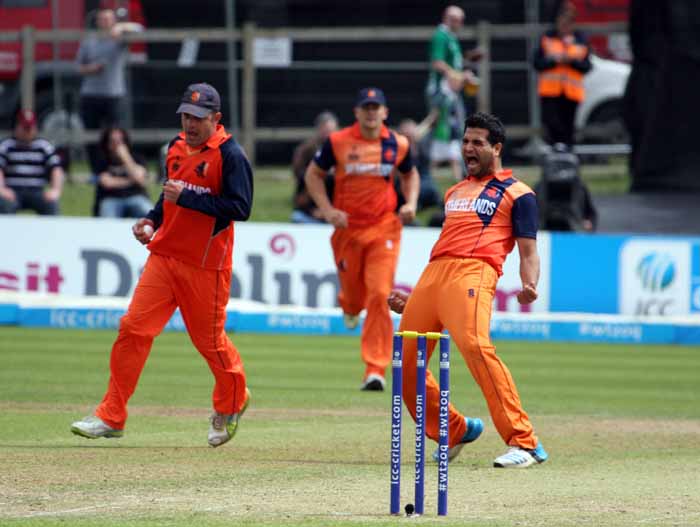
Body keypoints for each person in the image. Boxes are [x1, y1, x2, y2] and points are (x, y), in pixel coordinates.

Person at [71, 82, 254, 448]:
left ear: (216, 119)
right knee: (133, 329)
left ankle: (233, 401)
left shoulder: (231, 155)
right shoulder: (174, 148)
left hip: (205, 267)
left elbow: (240, 208)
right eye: (186, 115)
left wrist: (186, 198)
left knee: (211, 345)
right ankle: (112, 415)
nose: (190, 124)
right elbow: (168, 196)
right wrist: (152, 220)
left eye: (198, 118)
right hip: (164, 257)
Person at [387, 112, 549, 468]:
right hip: (434, 274)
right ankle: (453, 430)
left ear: (496, 147)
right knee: (405, 361)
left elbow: (529, 250)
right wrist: (417, 300)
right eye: (465, 141)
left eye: (477, 143)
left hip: (475, 272)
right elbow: (449, 245)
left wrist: (529, 283)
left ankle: (525, 442)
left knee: (475, 347)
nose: (468, 149)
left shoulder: (519, 194)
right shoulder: (454, 191)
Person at [304, 87, 419, 391]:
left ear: (385, 112)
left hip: (384, 229)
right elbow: (313, 175)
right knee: (355, 301)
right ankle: (349, 305)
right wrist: (328, 210)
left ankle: (375, 368)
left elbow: (410, 175)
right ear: (356, 112)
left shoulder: (398, 143)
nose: (371, 112)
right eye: (366, 107)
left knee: (380, 294)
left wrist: (411, 203)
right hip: (348, 231)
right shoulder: (338, 142)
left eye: (376, 107)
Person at [75, 7, 143, 174]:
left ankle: (120, 169)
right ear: (97, 21)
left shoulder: (120, 38)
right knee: (91, 137)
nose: (105, 22)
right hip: (90, 95)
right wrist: (90, 69)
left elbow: (140, 29)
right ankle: (96, 173)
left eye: (108, 19)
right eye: (102, 19)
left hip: (114, 95)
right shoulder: (89, 40)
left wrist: (121, 28)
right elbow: (77, 67)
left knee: (118, 135)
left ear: (113, 21)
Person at [426, 5, 482, 181]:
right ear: (446, 18)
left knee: (455, 132)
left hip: (452, 93)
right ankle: (429, 178)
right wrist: (461, 76)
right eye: (456, 19)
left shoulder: (451, 38)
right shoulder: (441, 36)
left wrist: (468, 60)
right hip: (442, 92)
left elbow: (453, 63)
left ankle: (459, 178)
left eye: (460, 20)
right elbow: (438, 63)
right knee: (443, 133)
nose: (459, 23)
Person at [533, 1, 591, 146]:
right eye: (562, 21)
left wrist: (570, 61)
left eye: (568, 22)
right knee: (552, 127)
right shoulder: (547, 38)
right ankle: (555, 157)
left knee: (568, 130)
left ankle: (568, 159)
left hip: (571, 94)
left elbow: (586, 66)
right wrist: (555, 61)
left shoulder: (580, 40)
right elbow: (537, 63)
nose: (564, 26)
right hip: (550, 93)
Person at [0, 109, 64, 215]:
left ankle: (52, 231)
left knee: (51, 204)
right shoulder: (6, 146)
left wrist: (55, 191)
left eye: (30, 128)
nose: (27, 132)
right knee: (5, 204)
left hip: (37, 191)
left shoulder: (44, 146)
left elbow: (56, 169)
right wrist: (2, 190)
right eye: (24, 128)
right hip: (12, 191)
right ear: (17, 126)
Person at [94, 126, 153, 218]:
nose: (117, 144)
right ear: (107, 144)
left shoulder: (137, 158)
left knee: (149, 213)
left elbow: (140, 180)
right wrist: (131, 181)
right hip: (111, 199)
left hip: (135, 197)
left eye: (120, 141)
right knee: (107, 216)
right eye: (113, 141)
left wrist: (125, 157)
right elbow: (107, 183)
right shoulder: (103, 160)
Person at [291, 111, 338, 223]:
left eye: (331, 130)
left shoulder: (342, 149)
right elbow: (299, 173)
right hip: (310, 198)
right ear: (318, 129)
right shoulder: (306, 149)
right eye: (325, 129)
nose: (328, 133)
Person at [395, 118, 442, 222]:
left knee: (432, 191)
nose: (410, 138)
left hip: (425, 182)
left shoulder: (422, 146)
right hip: (405, 185)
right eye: (406, 136)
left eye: (411, 135)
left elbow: (429, 127)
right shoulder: (397, 150)